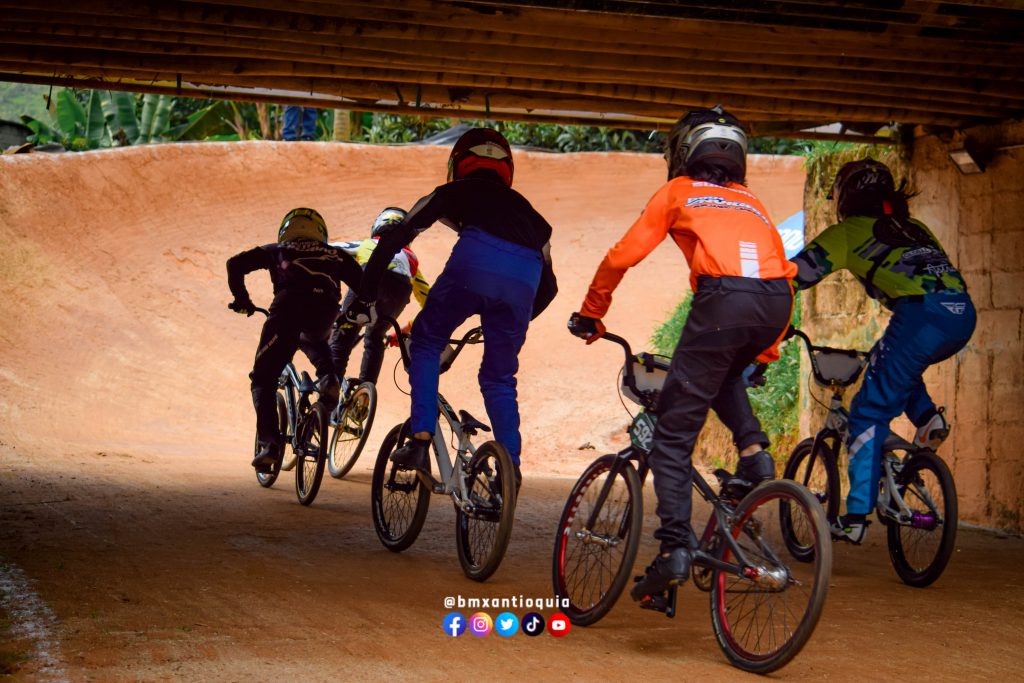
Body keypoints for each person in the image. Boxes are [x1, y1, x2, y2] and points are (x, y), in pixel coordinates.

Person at [568, 106, 796, 606]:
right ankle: (754, 455)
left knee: (671, 439)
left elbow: (622, 256)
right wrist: (766, 353)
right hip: (775, 302)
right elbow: (780, 273)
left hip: (724, 302)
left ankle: (674, 549)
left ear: (683, 152)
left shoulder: (679, 191)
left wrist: (591, 313)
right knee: (724, 371)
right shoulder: (751, 201)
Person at [345, 127, 557, 490]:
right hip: (524, 281)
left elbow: (393, 239)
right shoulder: (533, 217)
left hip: (474, 263)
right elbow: (549, 288)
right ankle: (510, 468)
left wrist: (365, 296)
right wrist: (511, 320)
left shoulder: (453, 191)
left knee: (427, 341)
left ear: (458, 163)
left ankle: (420, 440)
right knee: (499, 378)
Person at [790, 158, 976, 544]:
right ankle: (927, 419)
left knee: (867, 412)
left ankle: (855, 517)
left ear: (845, 196)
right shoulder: (916, 228)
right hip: (961, 314)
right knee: (890, 361)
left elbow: (794, 276)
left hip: (921, 317)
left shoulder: (846, 233)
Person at [227, 208, 362, 473]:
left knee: (263, 379)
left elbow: (235, 264)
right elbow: (365, 285)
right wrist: (358, 310)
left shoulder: (277, 249)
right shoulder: (335, 253)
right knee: (315, 339)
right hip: (325, 309)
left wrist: (242, 300)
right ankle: (329, 379)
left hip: (288, 308)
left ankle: (269, 444)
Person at [327, 207, 431, 386]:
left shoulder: (368, 243)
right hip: (399, 291)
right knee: (375, 338)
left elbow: (327, 250)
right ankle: (365, 392)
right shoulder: (411, 259)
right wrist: (409, 327)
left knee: (342, 339)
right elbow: (430, 304)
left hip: (369, 282)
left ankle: (329, 392)